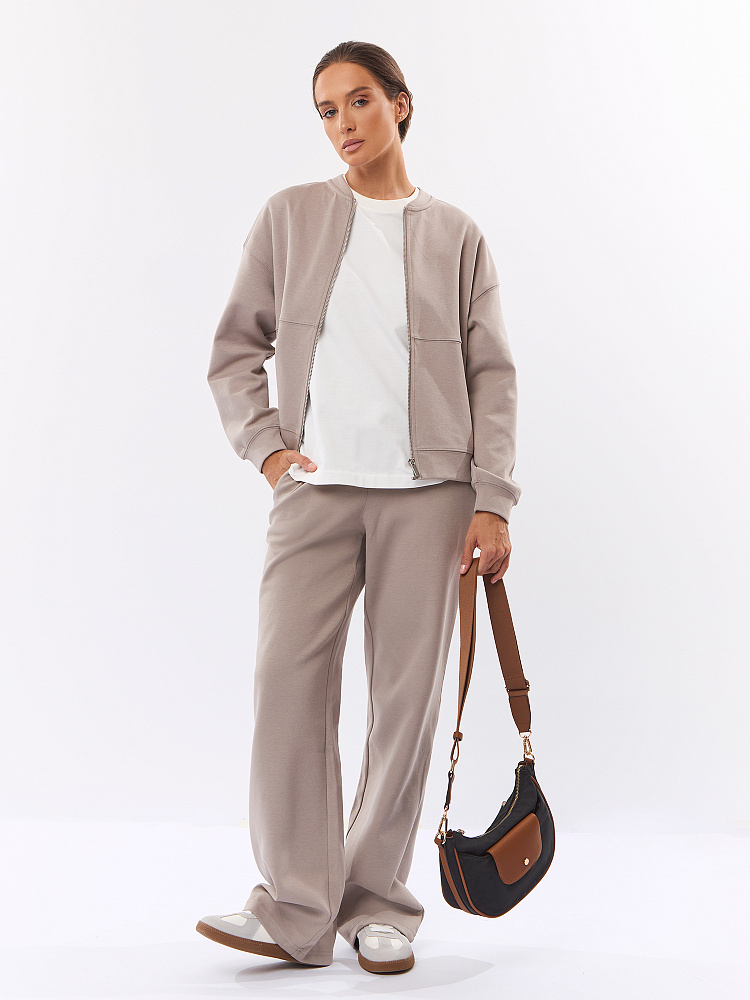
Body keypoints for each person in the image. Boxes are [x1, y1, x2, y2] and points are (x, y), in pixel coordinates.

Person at [196, 40, 521, 975]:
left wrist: (492, 500)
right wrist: (268, 450)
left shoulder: (455, 233)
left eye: (360, 101)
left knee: (402, 705)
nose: (343, 124)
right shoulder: (290, 217)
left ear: (400, 105)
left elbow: (493, 376)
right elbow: (235, 350)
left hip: (432, 499)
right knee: (286, 686)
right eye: (327, 110)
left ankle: (377, 903)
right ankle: (295, 907)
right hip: (314, 492)